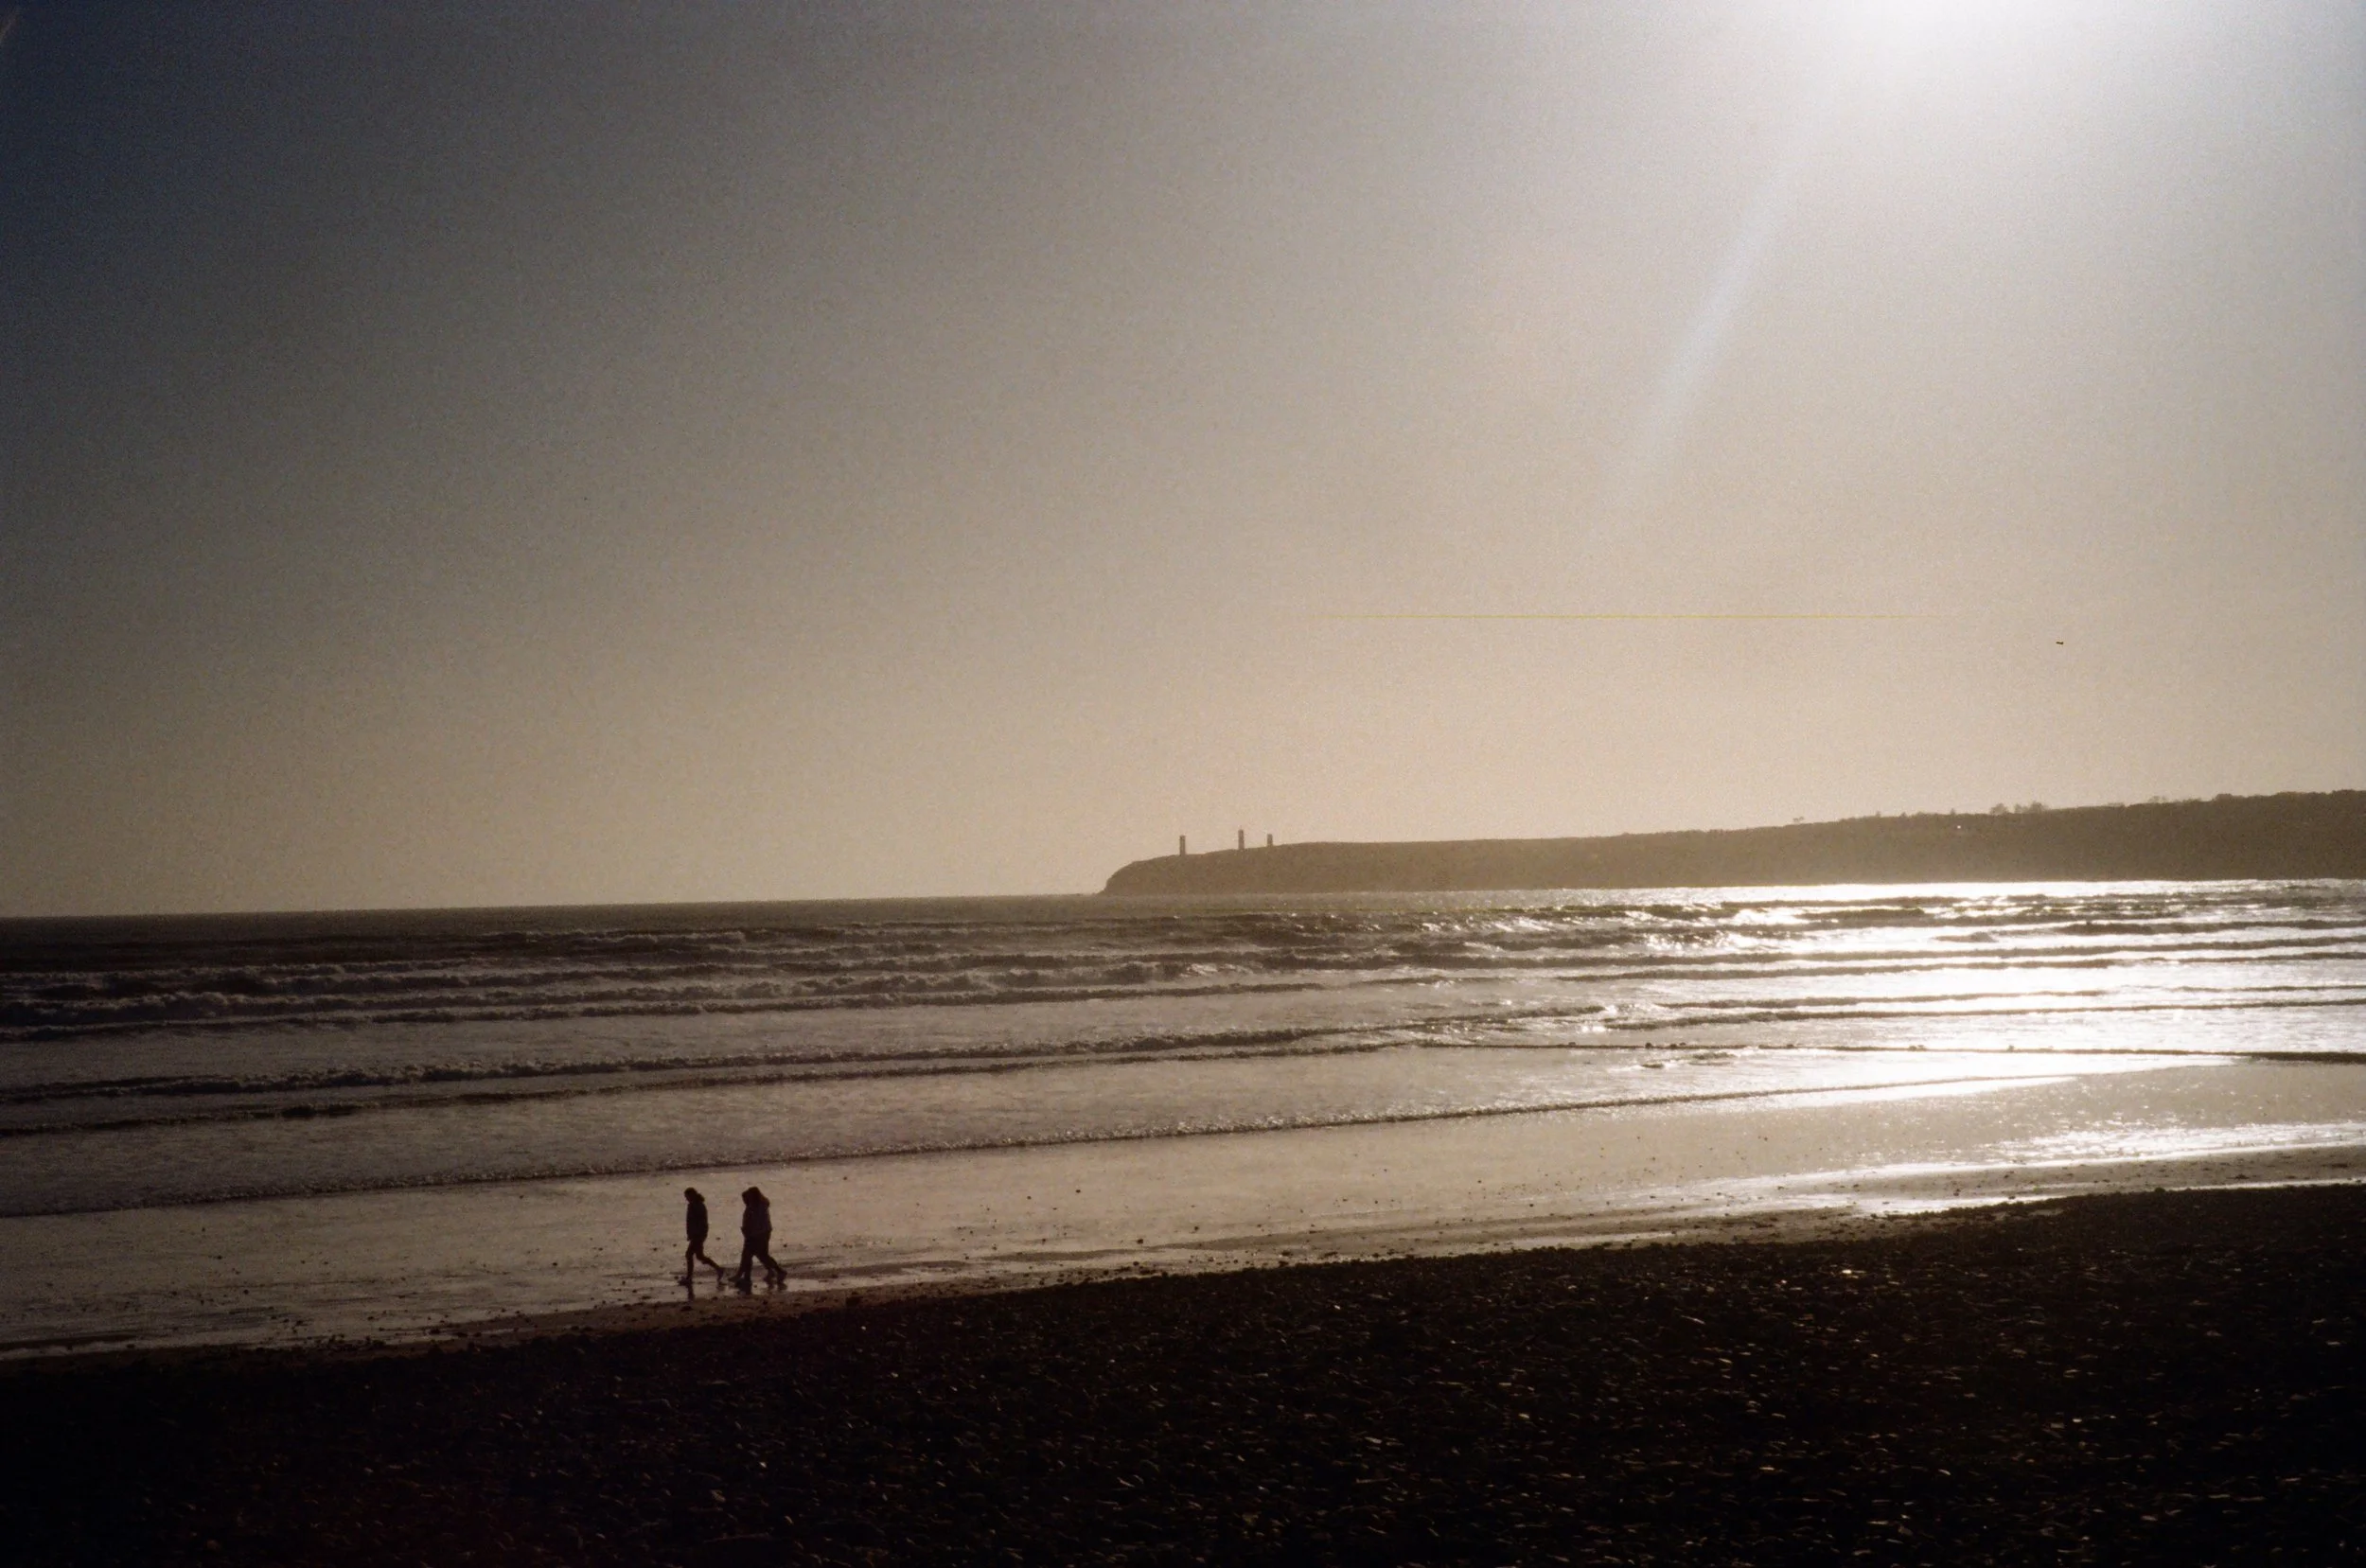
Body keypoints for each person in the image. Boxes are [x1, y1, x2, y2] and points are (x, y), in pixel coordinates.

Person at [735, 1185, 786, 1290]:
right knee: (761, 1255)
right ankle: (778, 1271)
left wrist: (749, 1233)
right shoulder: (760, 1205)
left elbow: (755, 1223)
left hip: (757, 1234)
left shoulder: (756, 1207)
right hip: (762, 1233)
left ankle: (746, 1278)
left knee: (749, 1255)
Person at [681, 1188, 728, 1285]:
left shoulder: (697, 1206)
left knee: (689, 1254)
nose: (686, 1199)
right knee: (699, 1255)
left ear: (692, 1195)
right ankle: (719, 1269)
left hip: (698, 1234)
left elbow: (698, 1221)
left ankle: (689, 1278)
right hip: (698, 1233)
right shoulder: (696, 1205)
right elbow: (691, 1222)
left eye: (687, 1196)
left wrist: (695, 1234)